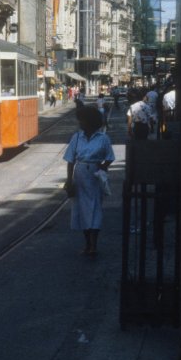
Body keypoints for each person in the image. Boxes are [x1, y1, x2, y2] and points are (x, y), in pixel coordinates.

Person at [63, 105, 115, 257]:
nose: (80, 123)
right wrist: (69, 180)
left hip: (94, 176)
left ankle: (94, 245)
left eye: (82, 120)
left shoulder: (103, 138)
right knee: (81, 209)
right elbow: (70, 160)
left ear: (90, 121)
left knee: (95, 208)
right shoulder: (76, 138)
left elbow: (110, 157)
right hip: (80, 176)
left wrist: (102, 167)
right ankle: (87, 243)